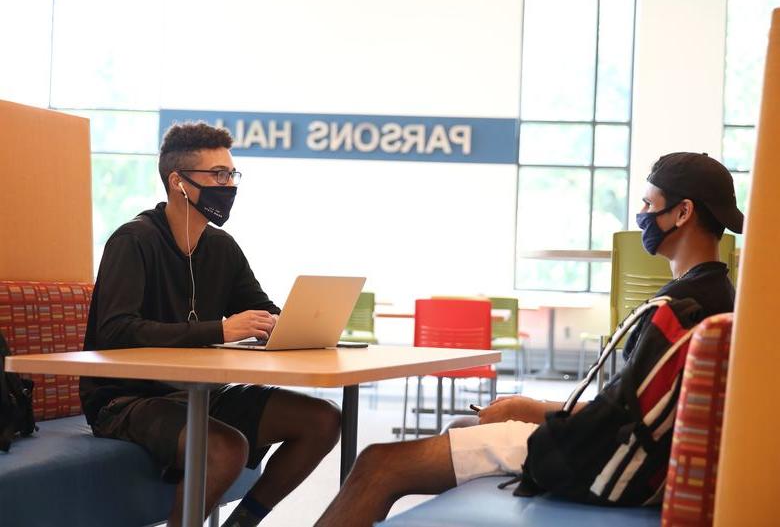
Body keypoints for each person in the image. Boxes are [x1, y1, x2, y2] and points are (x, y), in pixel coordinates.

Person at [314, 151, 744, 527]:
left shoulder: (677, 308)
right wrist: (529, 409)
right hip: (645, 467)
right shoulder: (717, 296)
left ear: (683, 213)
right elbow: (635, 409)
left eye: (650, 204)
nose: (643, 216)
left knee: (377, 464)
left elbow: (617, 423)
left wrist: (532, 410)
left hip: (609, 469)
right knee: (464, 427)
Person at [80, 122, 342, 527]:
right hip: (125, 400)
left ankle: (242, 522)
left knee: (323, 418)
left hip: (201, 393)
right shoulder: (132, 242)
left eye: (232, 174)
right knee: (225, 446)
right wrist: (220, 330)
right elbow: (116, 331)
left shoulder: (222, 246)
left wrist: (291, 324)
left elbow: (259, 308)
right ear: (178, 182)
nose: (229, 185)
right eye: (218, 175)